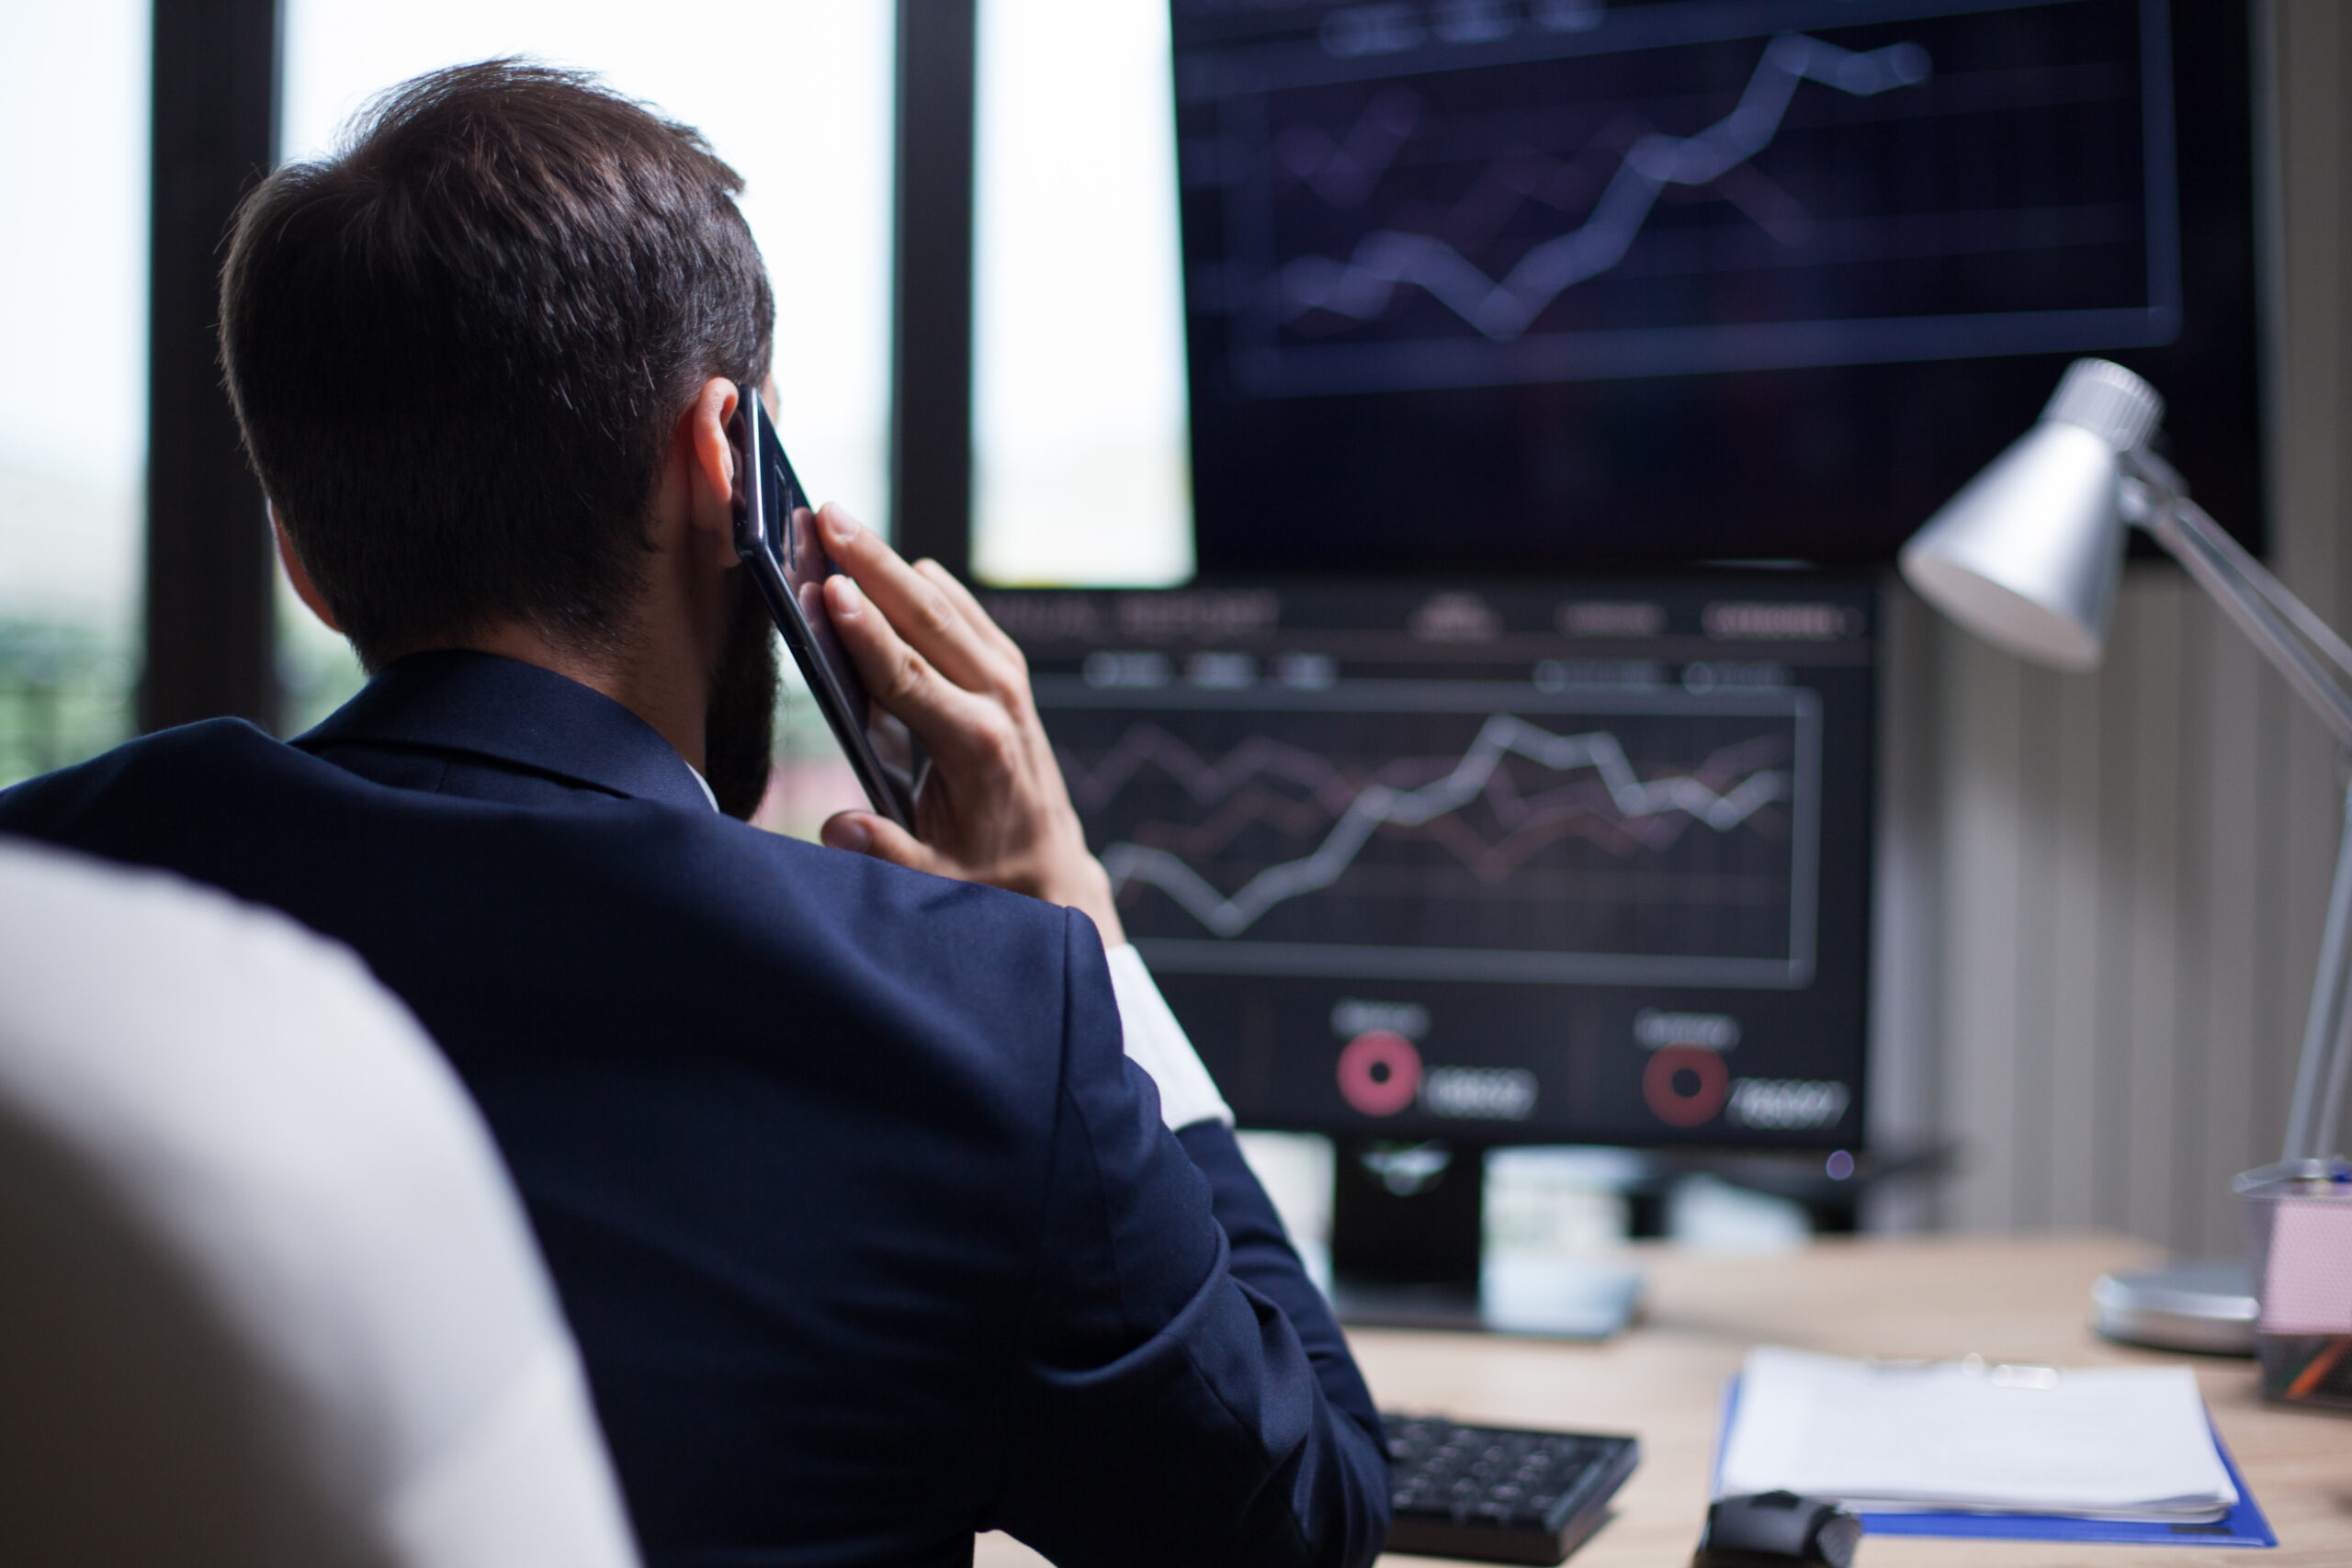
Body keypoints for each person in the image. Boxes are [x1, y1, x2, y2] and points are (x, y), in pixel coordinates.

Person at [0, 61, 1390, 1568]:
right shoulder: (978, 1013)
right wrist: (1087, 933)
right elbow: (1303, 1517)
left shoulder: (46, 902)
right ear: (725, 466)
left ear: (304, 560)